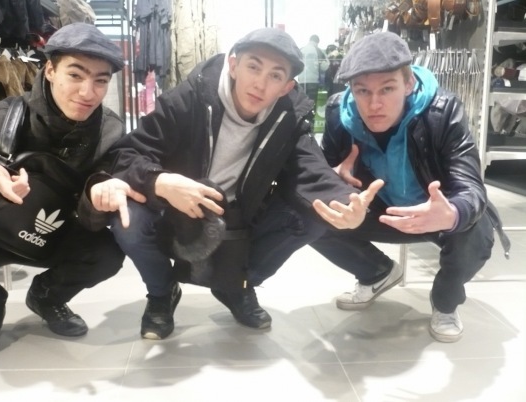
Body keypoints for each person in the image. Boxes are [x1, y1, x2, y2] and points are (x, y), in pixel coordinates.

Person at [108, 27, 383, 340]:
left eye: (275, 75)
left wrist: (346, 202)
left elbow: (310, 167)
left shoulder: (289, 116)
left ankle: (237, 286)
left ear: (287, 87)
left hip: (239, 215)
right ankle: (162, 293)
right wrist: (162, 182)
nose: (260, 84)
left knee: (314, 215)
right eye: (253, 67)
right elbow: (128, 154)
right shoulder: (189, 98)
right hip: (177, 208)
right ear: (233, 65)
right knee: (127, 218)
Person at [0, 22, 145, 356]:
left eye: (101, 80)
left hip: (58, 230)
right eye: (75, 75)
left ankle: (46, 296)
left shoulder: (110, 131)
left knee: (107, 255)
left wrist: (98, 199)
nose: (88, 92)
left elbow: (95, 213)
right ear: (50, 70)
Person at [311, 31, 511, 343]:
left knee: (476, 230)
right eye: (362, 91)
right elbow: (320, 181)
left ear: (408, 84)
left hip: (437, 213)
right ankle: (377, 273)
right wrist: (332, 179)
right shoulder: (339, 114)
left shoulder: (442, 111)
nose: (374, 104)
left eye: (387, 88)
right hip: (381, 211)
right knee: (308, 216)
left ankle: (445, 301)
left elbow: (471, 186)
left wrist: (453, 213)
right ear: (351, 88)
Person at [297, 34, 329, 111]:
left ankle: (302, 116)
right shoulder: (319, 51)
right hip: (313, 80)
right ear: (318, 42)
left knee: (302, 102)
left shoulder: (300, 50)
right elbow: (324, 66)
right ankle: (310, 116)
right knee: (311, 103)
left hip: (301, 80)